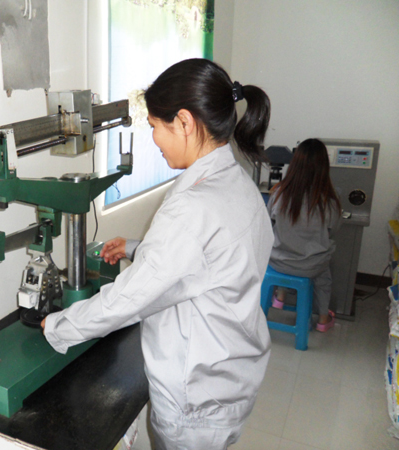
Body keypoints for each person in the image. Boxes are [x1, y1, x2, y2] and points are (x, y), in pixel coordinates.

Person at [41, 58, 274, 450]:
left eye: (154, 126)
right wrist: (138, 248)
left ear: (183, 122)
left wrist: (59, 327)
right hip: (231, 376)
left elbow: (130, 299)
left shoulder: (194, 205)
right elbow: (210, 260)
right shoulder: (237, 182)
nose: (153, 139)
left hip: (195, 401)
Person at [267, 138, 342, 332]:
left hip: (278, 261)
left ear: (294, 165)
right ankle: (323, 319)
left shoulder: (279, 193)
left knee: (286, 246)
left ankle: (280, 297)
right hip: (311, 266)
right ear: (324, 167)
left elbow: (269, 222)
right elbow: (333, 230)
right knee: (323, 276)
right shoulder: (329, 201)